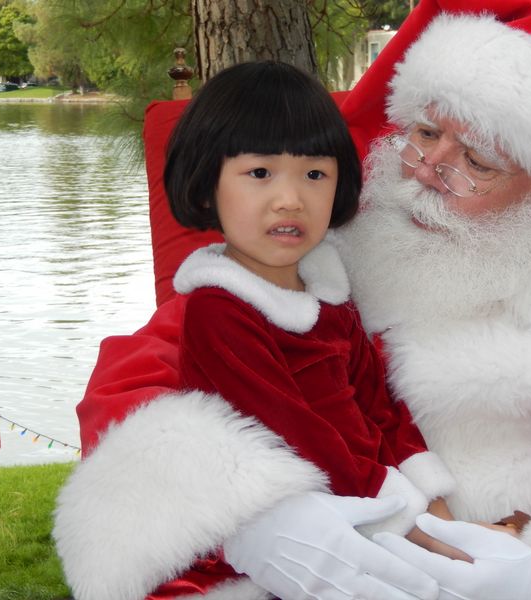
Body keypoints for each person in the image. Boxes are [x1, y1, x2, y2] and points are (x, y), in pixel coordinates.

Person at [53, 0, 531, 599]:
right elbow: (143, 373)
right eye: (424, 132)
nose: (428, 170)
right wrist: (261, 514)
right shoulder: (320, 239)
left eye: (478, 160)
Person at [166, 60, 455, 555]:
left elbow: (379, 407)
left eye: (315, 173)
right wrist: (410, 520)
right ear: (206, 184)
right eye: (259, 172)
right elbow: (300, 438)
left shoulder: (329, 298)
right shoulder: (220, 311)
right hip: (293, 527)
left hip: (376, 504)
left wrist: (431, 494)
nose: (290, 199)